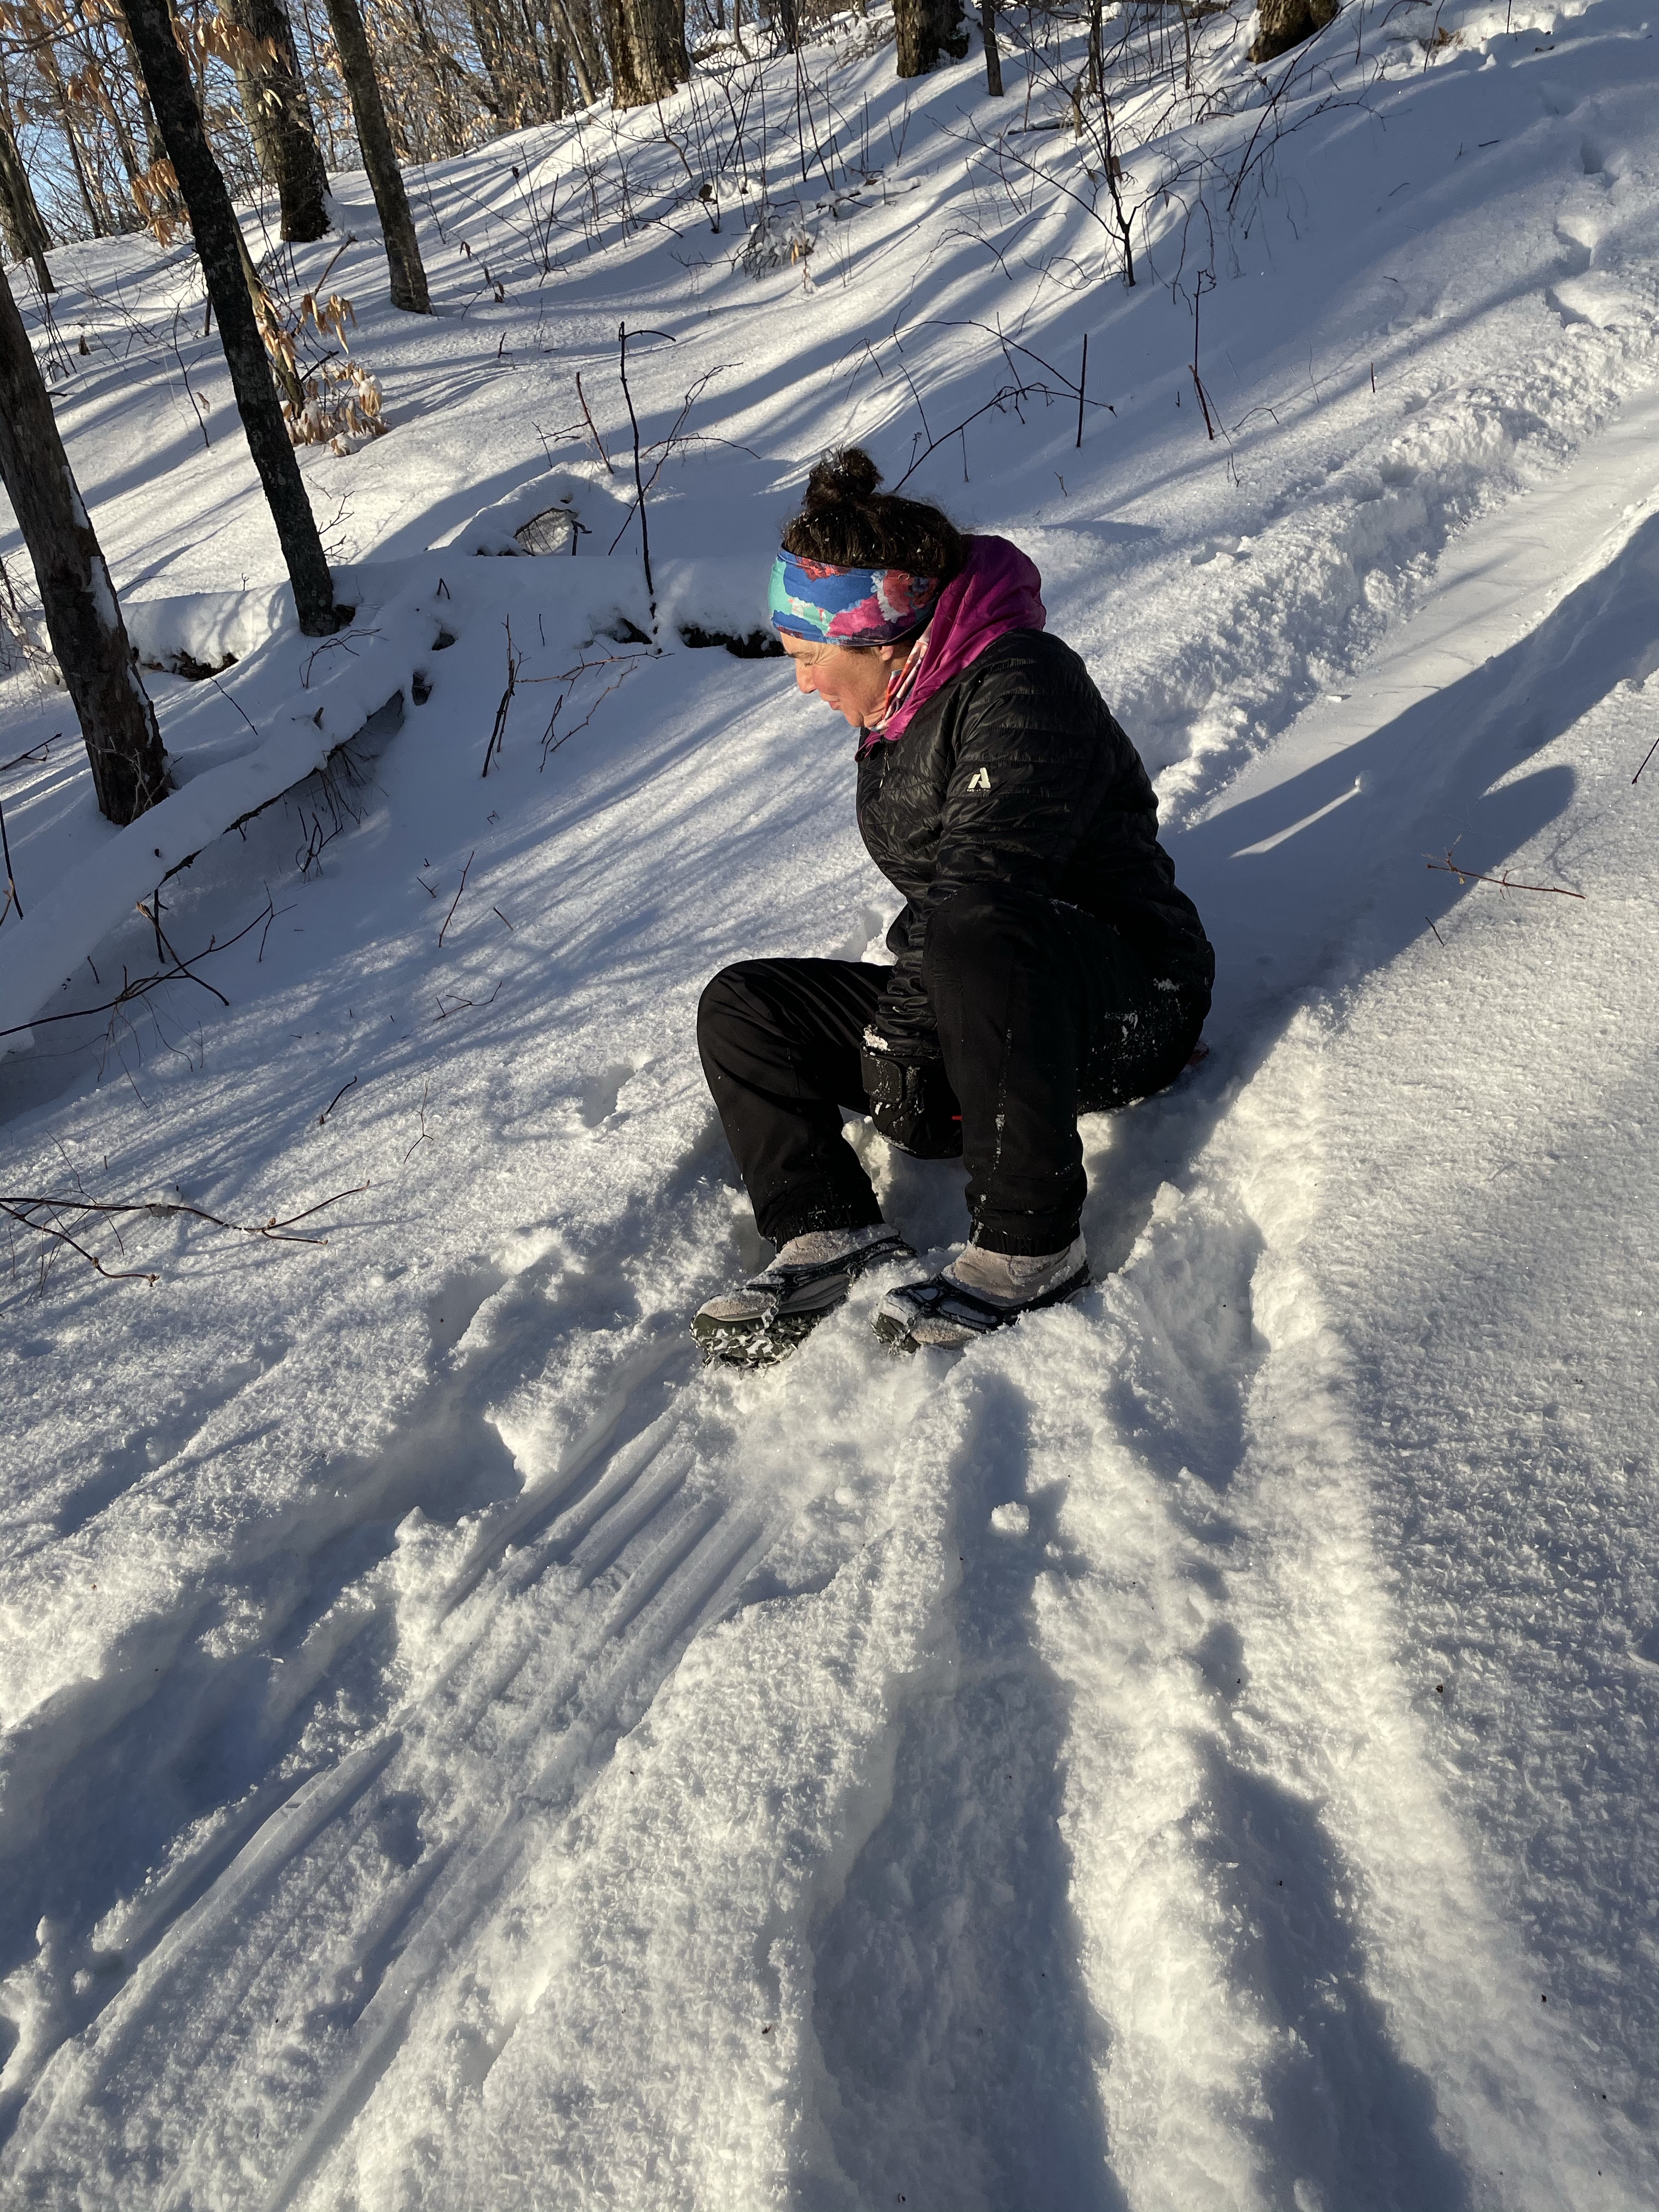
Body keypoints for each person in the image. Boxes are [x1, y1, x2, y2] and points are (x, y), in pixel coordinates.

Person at [692, 449, 1212, 1363]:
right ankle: (829, 1227)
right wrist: (915, 1025)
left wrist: (905, 1031)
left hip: (1125, 998)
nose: (803, 684)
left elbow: (985, 878)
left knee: (976, 927)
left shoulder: (1022, 681)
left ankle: (1030, 1247)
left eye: (810, 658)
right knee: (745, 1006)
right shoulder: (907, 705)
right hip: (989, 990)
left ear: (881, 641)